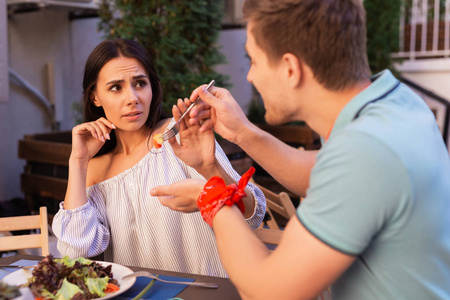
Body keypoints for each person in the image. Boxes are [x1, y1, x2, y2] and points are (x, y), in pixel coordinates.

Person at [150, 0, 450, 298]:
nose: (249, 76)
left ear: (290, 68)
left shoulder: (366, 152)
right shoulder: (393, 103)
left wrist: (211, 197)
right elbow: (323, 174)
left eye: (253, 60)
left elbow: (268, 290)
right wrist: (243, 133)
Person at [51, 39, 266, 278]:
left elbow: (252, 215)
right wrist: (78, 161)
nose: (132, 97)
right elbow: (77, 250)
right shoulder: (94, 170)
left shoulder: (182, 135)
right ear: (95, 98)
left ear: (152, 88)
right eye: (115, 87)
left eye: (140, 83)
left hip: (210, 293)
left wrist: (210, 167)